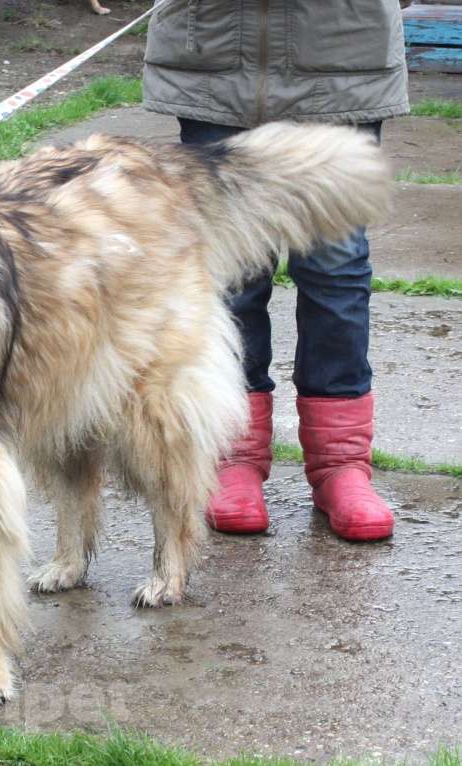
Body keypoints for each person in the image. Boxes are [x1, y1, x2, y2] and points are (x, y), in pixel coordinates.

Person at [143, 1, 409, 541]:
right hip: (216, 61)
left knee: (334, 270)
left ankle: (342, 466)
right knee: (233, 274)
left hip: (340, 64)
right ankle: (231, 454)